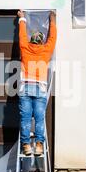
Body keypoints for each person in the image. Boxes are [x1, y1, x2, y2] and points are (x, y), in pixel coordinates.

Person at [17, 10, 57, 156]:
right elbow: (52, 37)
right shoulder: (46, 50)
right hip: (40, 87)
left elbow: (21, 35)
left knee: (25, 118)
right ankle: (39, 145)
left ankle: (26, 146)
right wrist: (52, 20)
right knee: (39, 117)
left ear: (31, 40)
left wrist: (22, 19)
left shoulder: (25, 47)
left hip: (25, 87)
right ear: (41, 41)